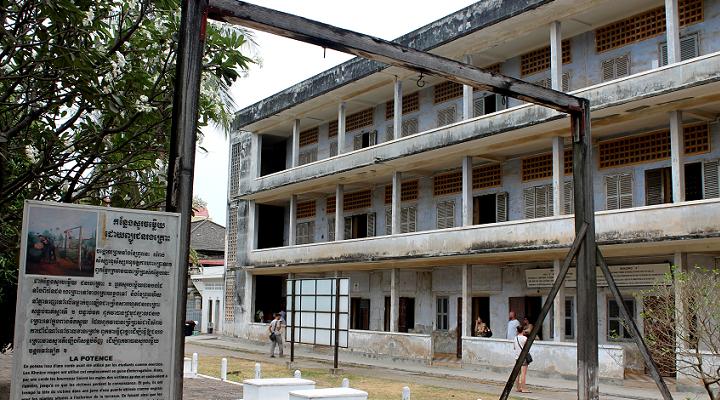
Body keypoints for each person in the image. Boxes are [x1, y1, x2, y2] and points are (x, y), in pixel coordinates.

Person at [513, 325, 530, 393]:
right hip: (523, 358)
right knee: (523, 374)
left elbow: (514, 347)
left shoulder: (515, 338)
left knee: (518, 374)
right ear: (523, 330)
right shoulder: (525, 338)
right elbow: (527, 348)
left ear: (517, 331)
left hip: (517, 357)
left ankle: (518, 387)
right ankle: (523, 388)